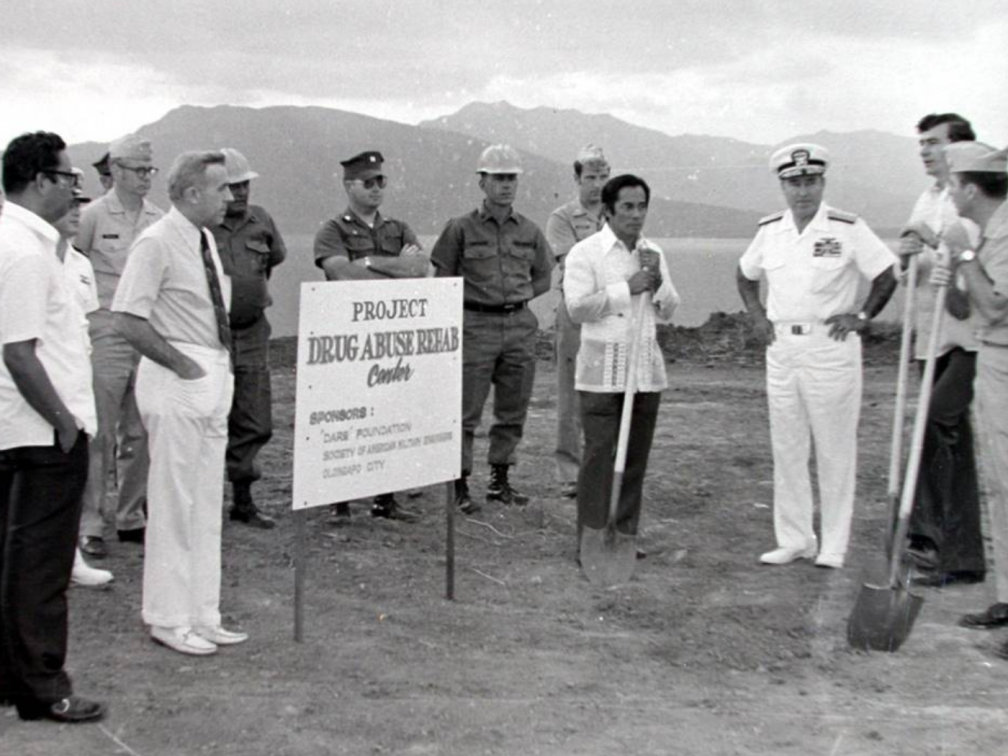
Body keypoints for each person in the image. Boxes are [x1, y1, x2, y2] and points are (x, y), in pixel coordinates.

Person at [736, 143, 897, 569]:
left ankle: (833, 545)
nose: (802, 191)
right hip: (782, 348)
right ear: (782, 186)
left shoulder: (846, 226)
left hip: (830, 347)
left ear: (822, 182)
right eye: (794, 183)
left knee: (834, 447)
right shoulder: (771, 230)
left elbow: (885, 272)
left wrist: (862, 314)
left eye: (810, 182)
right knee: (787, 445)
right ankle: (794, 539)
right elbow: (745, 273)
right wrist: (756, 315)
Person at [112, 150, 244, 657]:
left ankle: (202, 614)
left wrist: (216, 365)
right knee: (173, 503)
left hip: (212, 373)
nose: (230, 197)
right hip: (179, 377)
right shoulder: (156, 242)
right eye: (221, 189)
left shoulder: (204, 239)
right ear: (191, 193)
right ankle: (167, 617)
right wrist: (183, 366)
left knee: (206, 502)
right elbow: (126, 318)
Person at [0, 131, 105, 722]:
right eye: (67, 177)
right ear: (39, 181)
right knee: (40, 565)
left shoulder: (23, 242)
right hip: (42, 431)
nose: (73, 187)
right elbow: (18, 353)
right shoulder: (23, 249)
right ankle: (44, 687)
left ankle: (15, 677)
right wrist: (64, 423)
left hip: (26, 427)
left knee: (16, 557)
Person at [430, 144, 554, 513]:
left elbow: (544, 276)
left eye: (511, 178)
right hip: (475, 326)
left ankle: (500, 480)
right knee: (465, 411)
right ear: (482, 182)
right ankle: (459, 483)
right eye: (498, 178)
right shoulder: (460, 229)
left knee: (513, 409)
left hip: (519, 326)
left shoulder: (529, 231)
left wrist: (514, 298)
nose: (506, 185)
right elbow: (443, 279)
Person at [563, 174, 679, 556]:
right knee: (599, 456)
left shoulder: (652, 252)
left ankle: (624, 537)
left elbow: (669, 309)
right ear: (609, 211)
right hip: (600, 374)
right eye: (627, 207)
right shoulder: (587, 253)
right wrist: (625, 289)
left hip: (644, 372)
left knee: (634, 459)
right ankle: (591, 538)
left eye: (641, 206)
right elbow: (577, 308)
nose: (636, 214)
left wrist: (656, 279)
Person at [314, 150, 429, 522]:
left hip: (390, 337)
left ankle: (384, 499)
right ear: (349, 186)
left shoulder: (397, 227)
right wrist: (394, 268)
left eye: (381, 181)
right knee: (347, 415)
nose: (377, 188)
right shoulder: (332, 230)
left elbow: (420, 269)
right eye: (369, 182)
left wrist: (369, 262)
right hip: (348, 340)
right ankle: (340, 499)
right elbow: (341, 275)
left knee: (390, 411)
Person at [897, 114, 985, 587]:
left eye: (934, 144)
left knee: (938, 423)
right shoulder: (927, 197)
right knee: (941, 440)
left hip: (967, 338)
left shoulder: (974, 197)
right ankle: (939, 545)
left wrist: (934, 244)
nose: (926, 152)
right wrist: (907, 253)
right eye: (922, 145)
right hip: (929, 335)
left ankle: (953, 547)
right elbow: (913, 267)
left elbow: (968, 270)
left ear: (959, 147)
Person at [932, 143, 1008, 651]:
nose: (949, 193)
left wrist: (961, 252)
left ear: (973, 188)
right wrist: (951, 276)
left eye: (953, 185)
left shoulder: (1003, 233)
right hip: (993, 358)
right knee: (999, 482)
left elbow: (999, 306)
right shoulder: (990, 232)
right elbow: (970, 308)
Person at [75, 134, 164, 558]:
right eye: (138, 170)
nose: (146, 178)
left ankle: (131, 516)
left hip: (144, 333)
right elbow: (72, 267)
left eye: (150, 170)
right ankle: (91, 523)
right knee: (99, 430)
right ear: (116, 171)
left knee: (140, 428)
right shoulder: (93, 215)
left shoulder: (158, 219)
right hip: (106, 330)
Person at [211, 148, 286, 529]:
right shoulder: (204, 224)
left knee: (255, 418)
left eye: (244, 185)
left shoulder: (263, 221)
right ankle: (204, 500)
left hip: (254, 332)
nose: (240, 193)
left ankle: (243, 500)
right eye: (232, 186)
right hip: (211, 335)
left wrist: (251, 296)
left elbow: (271, 261)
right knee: (209, 416)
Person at [51, 175, 115, 588]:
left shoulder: (80, 264)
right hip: (36, 380)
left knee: (71, 468)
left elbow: (88, 324)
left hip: (74, 378)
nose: (77, 211)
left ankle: (69, 553)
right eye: (70, 204)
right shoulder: (25, 256)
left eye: (81, 204)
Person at [546, 144, 610, 499]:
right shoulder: (562, 218)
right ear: (576, 179)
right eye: (590, 178)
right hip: (574, 312)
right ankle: (569, 473)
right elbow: (571, 264)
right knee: (570, 394)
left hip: (609, 312)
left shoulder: (615, 214)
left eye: (603, 177)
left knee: (605, 391)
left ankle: (599, 467)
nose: (597, 185)